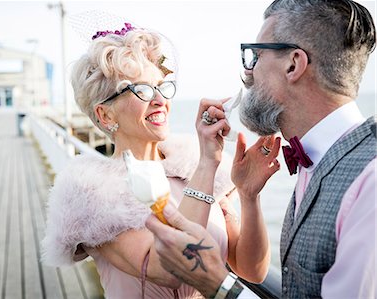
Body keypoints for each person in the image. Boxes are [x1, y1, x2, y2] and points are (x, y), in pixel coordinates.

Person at [146, 0, 376, 298]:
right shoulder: (317, 159)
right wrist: (247, 195)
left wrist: (217, 284)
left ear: (294, 64)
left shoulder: (370, 182)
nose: (248, 72)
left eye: (255, 56)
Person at [41, 22, 278, 298]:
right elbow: (170, 269)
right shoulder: (93, 196)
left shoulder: (191, 170)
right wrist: (207, 163)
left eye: (161, 86)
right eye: (141, 90)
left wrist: (249, 196)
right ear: (105, 115)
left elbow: (252, 270)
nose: (159, 99)